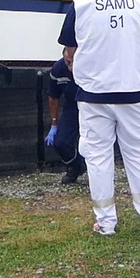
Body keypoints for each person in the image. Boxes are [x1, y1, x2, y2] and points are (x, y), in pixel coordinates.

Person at [58, 0, 140, 236]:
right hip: (134, 90)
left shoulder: (79, 6)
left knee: (98, 157)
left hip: (94, 93)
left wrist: (73, 59)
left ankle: (106, 222)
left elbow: (70, 49)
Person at [46, 53, 87, 185]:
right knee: (60, 142)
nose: (71, 67)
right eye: (68, 62)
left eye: (74, 62)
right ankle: (77, 166)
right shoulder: (58, 69)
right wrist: (54, 123)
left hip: (93, 104)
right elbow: (53, 97)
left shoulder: (91, 65)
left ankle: (98, 171)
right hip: (72, 106)